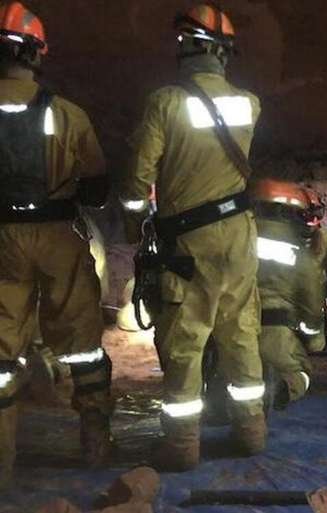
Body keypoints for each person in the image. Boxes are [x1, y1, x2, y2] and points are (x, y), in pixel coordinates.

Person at [119, 4, 266, 471]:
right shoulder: (249, 102)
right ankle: (252, 432)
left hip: (190, 240)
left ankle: (182, 446)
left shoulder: (165, 102)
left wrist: (134, 222)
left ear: (185, 48)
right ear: (225, 53)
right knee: (241, 331)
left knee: (186, 339)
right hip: (240, 234)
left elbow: (140, 178)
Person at [0, 1, 112, 489]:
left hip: (1, 239)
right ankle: (94, 440)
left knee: (0, 352)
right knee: (83, 343)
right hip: (58, 236)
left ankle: (1, 464)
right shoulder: (67, 114)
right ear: (36, 54)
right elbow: (96, 187)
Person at [252, 180, 316, 410]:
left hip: (229, 328)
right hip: (275, 332)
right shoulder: (299, 251)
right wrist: (313, 338)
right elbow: (311, 302)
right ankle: (277, 388)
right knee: (301, 373)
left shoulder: (232, 239)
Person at [298, 188, 327, 353]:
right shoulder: (281, 235)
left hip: (308, 299)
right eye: (307, 213)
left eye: (316, 212)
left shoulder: (324, 237)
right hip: (289, 297)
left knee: (313, 346)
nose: (313, 218)